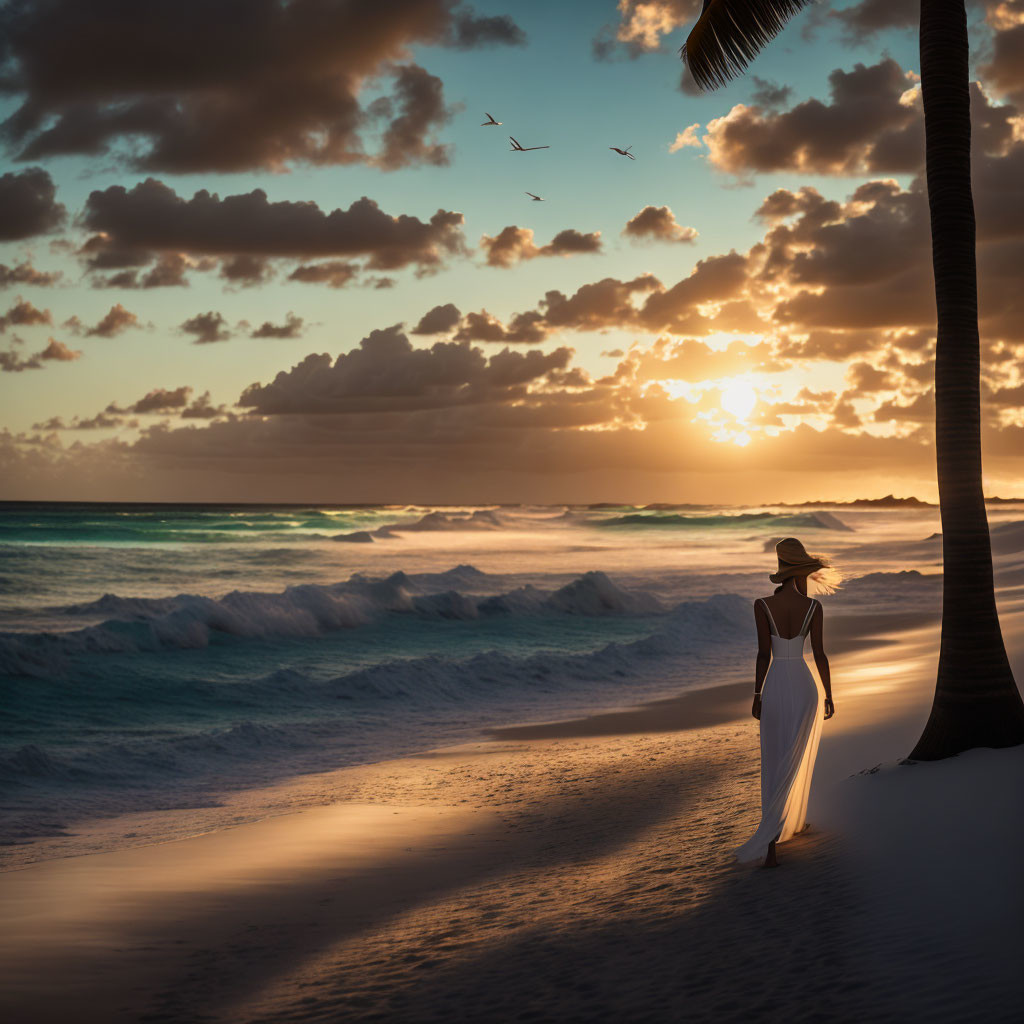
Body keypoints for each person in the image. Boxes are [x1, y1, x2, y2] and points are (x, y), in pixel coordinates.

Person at [735, 537, 836, 868]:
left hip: (776, 684)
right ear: (802, 573)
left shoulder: (762, 605)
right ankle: (790, 822)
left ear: (781, 572)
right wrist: (829, 695)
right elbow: (819, 653)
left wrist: (757, 695)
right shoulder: (814, 608)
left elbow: (764, 654)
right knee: (796, 757)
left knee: (774, 760)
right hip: (806, 687)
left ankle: (772, 847)